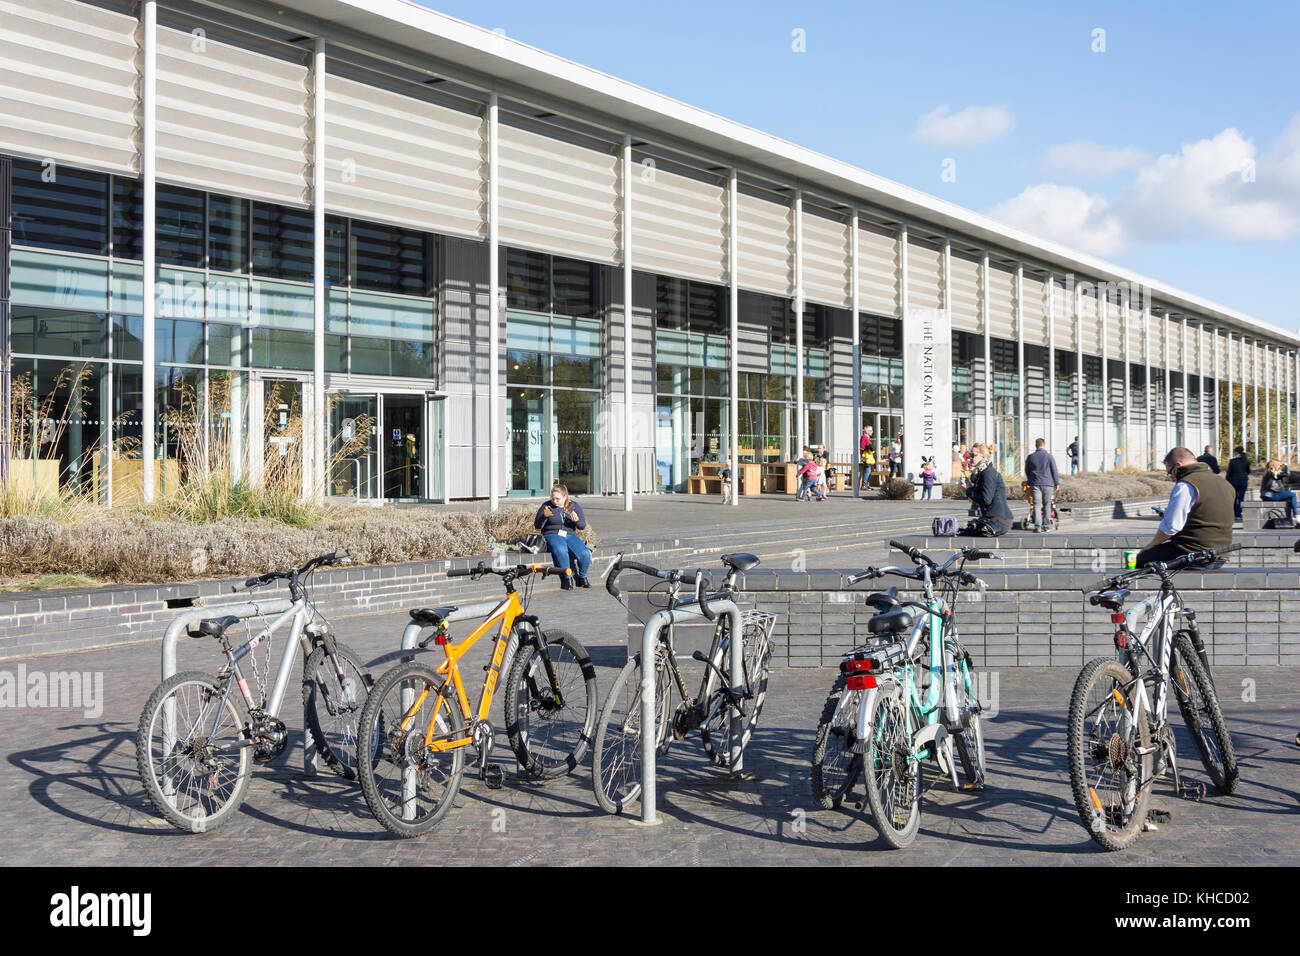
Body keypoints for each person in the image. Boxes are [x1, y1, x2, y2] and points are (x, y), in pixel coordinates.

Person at [1135, 447, 1234, 567]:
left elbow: (1171, 526)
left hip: (1194, 553)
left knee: (1142, 560)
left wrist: (1150, 546)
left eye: (1170, 472)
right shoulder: (1224, 483)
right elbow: (1207, 517)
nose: (1171, 477)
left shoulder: (1185, 485)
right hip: (1221, 554)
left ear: (1178, 465)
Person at [534, 483, 591, 590]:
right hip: (552, 534)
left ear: (565, 497)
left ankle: (582, 578)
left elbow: (582, 526)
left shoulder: (573, 506)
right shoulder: (547, 506)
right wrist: (544, 517)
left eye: (558, 499)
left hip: (569, 535)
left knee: (584, 553)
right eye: (553, 498)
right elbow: (537, 525)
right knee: (561, 549)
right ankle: (567, 578)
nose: (554, 501)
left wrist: (577, 520)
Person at [961, 443, 1013, 534]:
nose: (970, 458)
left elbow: (986, 499)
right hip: (992, 518)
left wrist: (968, 489)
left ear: (983, 457)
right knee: (965, 531)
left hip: (999, 521)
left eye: (973, 455)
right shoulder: (982, 472)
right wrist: (970, 488)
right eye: (970, 455)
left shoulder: (988, 473)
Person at [1024, 437, 1060, 533]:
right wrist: (1057, 483)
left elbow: (1027, 470)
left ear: (1036, 445)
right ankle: (1046, 526)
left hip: (1035, 484)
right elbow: (1054, 470)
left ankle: (1037, 527)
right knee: (1047, 504)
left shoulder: (1030, 457)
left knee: (1036, 504)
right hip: (1048, 484)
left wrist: (1030, 480)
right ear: (1044, 445)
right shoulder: (1049, 456)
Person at [1260, 459, 1300, 527]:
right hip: (1270, 495)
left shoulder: (1272, 473)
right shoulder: (1270, 473)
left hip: (1270, 495)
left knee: (1289, 499)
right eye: (1279, 466)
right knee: (1292, 495)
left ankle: (1289, 518)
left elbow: (1285, 475)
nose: (1280, 467)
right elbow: (1287, 474)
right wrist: (1286, 466)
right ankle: (1297, 516)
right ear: (1274, 466)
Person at [1225, 445, 1250, 524]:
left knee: (1234, 498)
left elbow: (1229, 472)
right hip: (1243, 481)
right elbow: (1248, 471)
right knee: (1241, 498)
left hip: (1234, 481)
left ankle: (1236, 514)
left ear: (1236, 452)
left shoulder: (1233, 461)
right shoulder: (1246, 461)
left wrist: (1226, 481)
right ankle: (1240, 513)